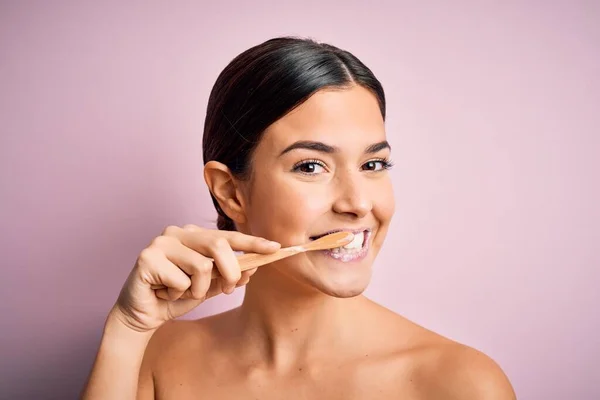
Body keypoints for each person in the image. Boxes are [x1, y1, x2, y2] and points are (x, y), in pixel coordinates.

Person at [82, 37, 516, 399]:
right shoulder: (152, 360)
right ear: (231, 192)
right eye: (311, 166)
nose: (358, 203)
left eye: (373, 165)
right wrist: (127, 329)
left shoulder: (460, 384)